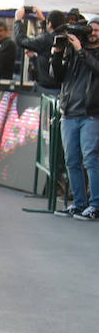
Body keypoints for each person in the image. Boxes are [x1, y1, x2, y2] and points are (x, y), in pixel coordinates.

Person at [51, 16, 99, 220]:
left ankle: (95, 204)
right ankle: (79, 204)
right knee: (71, 160)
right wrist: (57, 53)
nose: (93, 33)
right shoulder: (72, 51)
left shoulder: (87, 53)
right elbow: (56, 76)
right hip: (69, 113)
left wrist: (81, 50)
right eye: (90, 29)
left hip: (91, 115)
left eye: (96, 30)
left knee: (90, 160)